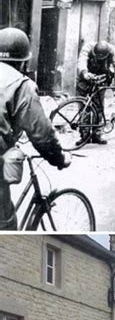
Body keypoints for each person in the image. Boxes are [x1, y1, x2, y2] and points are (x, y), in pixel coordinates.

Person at [0, 27, 71, 230]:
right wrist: (59, 158)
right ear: (23, 61)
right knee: (6, 228)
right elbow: (42, 134)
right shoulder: (21, 85)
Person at [76, 40, 115, 145]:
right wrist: (84, 73)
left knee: (99, 108)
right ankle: (84, 135)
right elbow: (82, 61)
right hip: (84, 79)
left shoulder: (112, 51)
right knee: (84, 108)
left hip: (100, 80)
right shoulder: (88, 47)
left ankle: (97, 135)